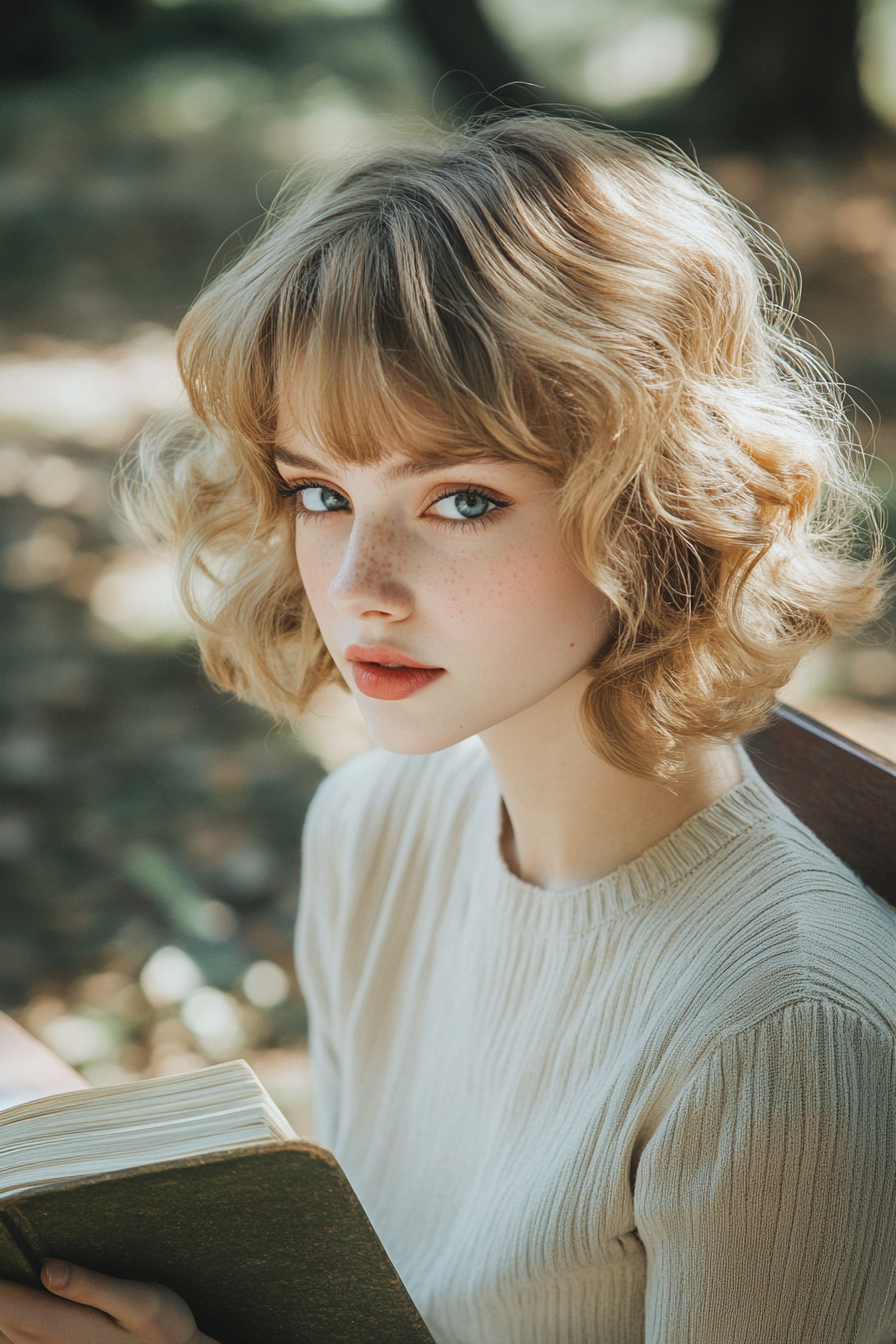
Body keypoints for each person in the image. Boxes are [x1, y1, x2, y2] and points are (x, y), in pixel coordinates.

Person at [1, 114, 894, 1344]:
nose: (359, 580)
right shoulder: (373, 827)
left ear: (655, 508)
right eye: (319, 491)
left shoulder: (782, 1028)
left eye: (459, 500)